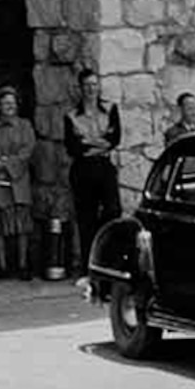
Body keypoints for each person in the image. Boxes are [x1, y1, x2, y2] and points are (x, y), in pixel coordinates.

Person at [59, 68, 125, 255]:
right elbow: (73, 147)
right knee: (85, 217)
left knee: (113, 210)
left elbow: (115, 139)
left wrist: (88, 142)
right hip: (83, 169)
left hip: (104, 166)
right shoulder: (71, 115)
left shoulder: (110, 109)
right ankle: (88, 263)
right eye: (87, 85)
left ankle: (108, 255)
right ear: (80, 88)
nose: (91, 89)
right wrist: (99, 142)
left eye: (94, 84)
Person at [0, 87, 37, 281]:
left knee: (21, 224)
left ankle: (22, 264)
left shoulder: (25, 126)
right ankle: (1, 265)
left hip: (17, 179)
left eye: (12, 102)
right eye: (5, 103)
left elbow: (28, 150)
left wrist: (7, 164)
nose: (9, 106)